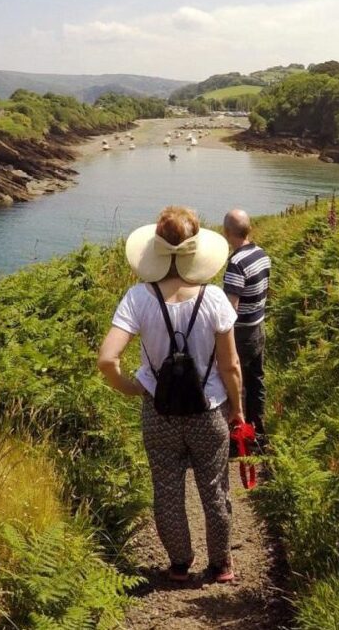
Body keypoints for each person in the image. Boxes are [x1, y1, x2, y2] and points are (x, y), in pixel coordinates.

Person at [97, 206, 244, 583]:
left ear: (155, 250)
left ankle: (180, 563)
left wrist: (132, 388)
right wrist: (237, 410)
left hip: (158, 410)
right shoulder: (214, 299)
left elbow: (106, 360)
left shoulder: (138, 297)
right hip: (208, 410)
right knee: (213, 488)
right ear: (196, 251)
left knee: (166, 489)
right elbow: (231, 367)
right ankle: (222, 564)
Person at [222, 209, 271, 445]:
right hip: (258, 326)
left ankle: (238, 438)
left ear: (227, 232)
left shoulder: (236, 263)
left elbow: (230, 308)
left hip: (241, 332)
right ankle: (259, 432)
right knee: (256, 381)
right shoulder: (261, 254)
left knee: (235, 385)